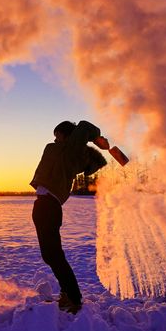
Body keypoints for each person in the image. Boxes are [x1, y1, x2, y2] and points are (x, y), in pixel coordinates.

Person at [30, 120, 111, 314]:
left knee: (53, 255)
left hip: (48, 206)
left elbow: (83, 126)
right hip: (44, 205)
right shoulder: (67, 153)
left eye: (58, 135)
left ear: (67, 136)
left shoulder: (67, 152)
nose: (54, 139)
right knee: (50, 255)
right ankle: (70, 294)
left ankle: (73, 298)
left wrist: (98, 139)